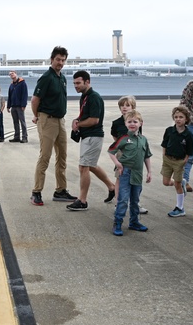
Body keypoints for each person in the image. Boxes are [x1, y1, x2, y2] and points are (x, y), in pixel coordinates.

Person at [30, 46, 76, 206]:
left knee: (62, 156)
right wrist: (37, 116)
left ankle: (60, 190)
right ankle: (36, 192)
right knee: (45, 156)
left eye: (63, 60)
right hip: (47, 120)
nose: (60, 63)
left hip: (60, 120)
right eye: (58, 59)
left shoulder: (61, 78)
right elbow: (35, 100)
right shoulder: (46, 77)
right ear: (52, 59)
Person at [67, 70, 116, 210]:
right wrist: (77, 120)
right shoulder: (84, 97)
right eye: (74, 83)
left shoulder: (94, 97)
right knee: (91, 165)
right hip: (87, 136)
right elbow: (85, 115)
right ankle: (111, 187)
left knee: (83, 167)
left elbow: (94, 120)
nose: (75, 86)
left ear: (87, 82)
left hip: (93, 136)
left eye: (78, 83)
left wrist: (79, 124)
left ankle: (82, 201)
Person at [108, 110, 152, 236]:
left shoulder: (143, 140)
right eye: (129, 122)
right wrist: (117, 163)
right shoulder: (123, 138)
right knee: (123, 199)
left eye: (135, 121)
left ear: (141, 123)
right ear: (126, 124)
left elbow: (147, 156)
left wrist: (149, 171)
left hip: (138, 173)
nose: (132, 124)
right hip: (125, 172)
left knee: (135, 200)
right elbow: (111, 151)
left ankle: (134, 222)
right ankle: (118, 223)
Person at [111, 95, 148, 214]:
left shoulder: (137, 121)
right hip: (122, 154)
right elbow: (115, 138)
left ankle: (135, 203)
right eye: (122, 105)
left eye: (127, 105)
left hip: (136, 154)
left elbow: (139, 137)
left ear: (133, 107)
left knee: (135, 179)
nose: (124, 108)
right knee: (119, 178)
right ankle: (118, 202)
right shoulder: (117, 123)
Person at [161, 106, 193, 217]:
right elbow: (164, 144)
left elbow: (189, 151)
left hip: (179, 161)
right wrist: (164, 155)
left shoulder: (189, 135)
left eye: (181, 117)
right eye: (176, 117)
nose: (178, 119)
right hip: (167, 159)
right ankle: (182, 183)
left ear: (186, 119)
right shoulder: (169, 131)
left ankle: (180, 208)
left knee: (177, 184)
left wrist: (184, 161)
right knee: (165, 182)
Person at [7, 70, 29, 143]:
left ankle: (24, 137)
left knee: (22, 122)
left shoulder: (22, 83)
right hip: (13, 106)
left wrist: (23, 105)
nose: (11, 75)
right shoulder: (11, 85)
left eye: (12, 73)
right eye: (10, 74)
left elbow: (24, 94)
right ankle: (17, 137)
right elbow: (9, 96)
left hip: (20, 106)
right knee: (15, 122)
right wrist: (8, 106)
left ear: (16, 74)